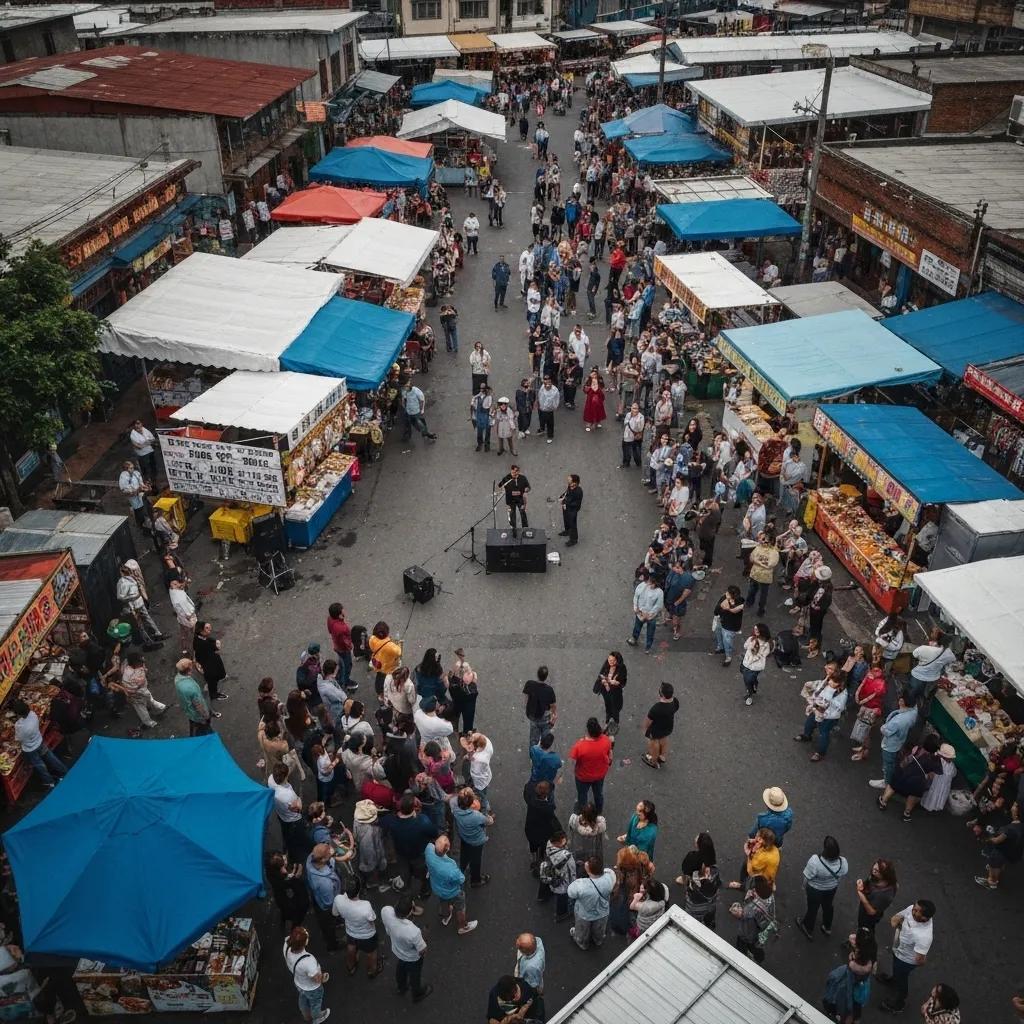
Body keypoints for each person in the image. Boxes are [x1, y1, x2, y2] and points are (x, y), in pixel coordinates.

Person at [876, 900, 936, 1013]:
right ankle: (893, 980)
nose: (913, 909)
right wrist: (896, 922)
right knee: (896, 971)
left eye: (917, 910)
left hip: (906, 961)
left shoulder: (924, 936)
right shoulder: (912, 909)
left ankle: (899, 1002)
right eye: (915, 907)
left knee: (902, 979)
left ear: (924, 918)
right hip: (898, 949)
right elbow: (896, 918)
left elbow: (920, 960)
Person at [794, 835, 848, 939]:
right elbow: (841, 875)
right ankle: (827, 927)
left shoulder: (816, 861)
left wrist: (803, 886)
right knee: (828, 906)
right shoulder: (843, 862)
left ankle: (807, 927)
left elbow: (807, 877)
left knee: (813, 908)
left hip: (815, 889)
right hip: (831, 889)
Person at [381, 895, 432, 1002]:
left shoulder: (386, 911)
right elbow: (422, 950)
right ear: (409, 913)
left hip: (398, 951)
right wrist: (425, 936)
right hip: (412, 958)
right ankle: (417, 993)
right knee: (415, 975)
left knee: (401, 969)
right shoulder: (413, 931)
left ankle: (401, 987)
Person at [424, 834, 478, 935]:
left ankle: (446, 916)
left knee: (444, 902)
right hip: (452, 892)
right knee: (460, 907)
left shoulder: (428, 848)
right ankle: (462, 926)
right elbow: (462, 879)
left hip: (437, 887)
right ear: (447, 849)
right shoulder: (450, 870)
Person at [795, 661, 848, 760]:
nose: (831, 682)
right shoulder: (827, 682)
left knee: (823, 733)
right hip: (817, 709)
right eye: (831, 680)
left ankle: (820, 752)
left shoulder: (842, 693)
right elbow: (819, 689)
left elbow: (840, 707)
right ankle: (807, 735)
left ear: (840, 683)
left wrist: (828, 703)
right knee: (809, 723)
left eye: (834, 681)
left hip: (828, 716)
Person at [331, 876, 382, 978]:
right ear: (359, 890)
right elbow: (372, 920)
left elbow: (335, 913)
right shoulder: (365, 905)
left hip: (350, 932)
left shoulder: (338, 899)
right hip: (367, 936)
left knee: (351, 948)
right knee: (371, 954)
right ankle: (372, 971)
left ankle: (351, 967)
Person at [870, 689, 918, 789]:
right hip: (900, 741)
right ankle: (889, 772)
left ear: (902, 701)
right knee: (892, 761)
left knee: (888, 762)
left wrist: (882, 727)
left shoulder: (898, 721)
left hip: (891, 744)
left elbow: (885, 730)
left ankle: (886, 781)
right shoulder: (914, 712)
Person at [12, 699, 66, 789]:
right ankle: (63, 770)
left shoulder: (19, 725)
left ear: (18, 714)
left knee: (39, 765)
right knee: (50, 757)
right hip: (39, 741)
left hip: (30, 749)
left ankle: (49, 782)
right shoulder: (33, 715)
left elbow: (19, 739)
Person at [282, 926, 330, 1024]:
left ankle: (306, 1016)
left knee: (303, 998)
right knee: (315, 1002)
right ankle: (317, 1018)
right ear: (304, 943)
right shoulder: (308, 961)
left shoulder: (286, 944)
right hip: (312, 988)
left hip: (299, 982)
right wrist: (324, 977)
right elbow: (317, 979)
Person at [567, 856, 616, 950]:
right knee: (599, 929)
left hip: (585, 914)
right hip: (603, 911)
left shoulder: (581, 884)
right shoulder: (610, 876)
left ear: (589, 870)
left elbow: (571, 893)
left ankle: (582, 943)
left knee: (582, 931)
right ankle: (598, 940)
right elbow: (609, 871)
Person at [975, 800, 1022, 889]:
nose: (1012, 807)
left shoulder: (1010, 829)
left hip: (1000, 851)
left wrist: (987, 839)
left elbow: (997, 841)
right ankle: (997, 870)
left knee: (994, 866)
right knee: (1000, 864)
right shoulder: (1020, 826)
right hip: (1010, 851)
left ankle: (991, 882)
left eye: (1015, 806)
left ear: (1017, 813)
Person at [729, 874, 776, 964]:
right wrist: (740, 886)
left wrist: (734, 909)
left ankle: (744, 956)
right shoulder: (770, 897)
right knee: (755, 942)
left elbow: (741, 915)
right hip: (762, 924)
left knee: (744, 941)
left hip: (749, 929)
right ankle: (758, 956)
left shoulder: (752, 908)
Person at [305, 843, 344, 953]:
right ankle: (333, 945)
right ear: (322, 860)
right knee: (328, 926)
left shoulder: (310, 858)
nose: (331, 853)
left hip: (317, 898)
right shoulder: (324, 883)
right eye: (328, 854)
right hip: (326, 907)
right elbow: (329, 903)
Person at [678, 832, 721, 929]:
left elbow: (686, 872)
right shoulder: (714, 871)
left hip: (696, 909)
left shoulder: (694, 887)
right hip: (710, 906)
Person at [569, 718, 612, 813]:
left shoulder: (579, 746)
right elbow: (610, 756)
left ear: (588, 730)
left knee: (582, 795)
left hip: (583, 777)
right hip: (600, 774)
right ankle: (599, 811)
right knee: (598, 794)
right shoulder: (606, 740)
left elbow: (573, 763)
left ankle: (584, 813)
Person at [116, 650, 166, 729]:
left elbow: (143, 672)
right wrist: (140, 685)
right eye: (141, 662)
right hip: (136, 696)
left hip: (143, 690)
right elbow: (130, 688)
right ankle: (149, 723)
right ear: (134, 663)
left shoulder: (138, 666)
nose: (143, 663)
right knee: (142, 710)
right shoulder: (128, 674)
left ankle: (160, 707)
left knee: (150, 699)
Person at [270, 762, 308, 865]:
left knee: (286, 833)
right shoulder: (287, 794)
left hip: (281, 814)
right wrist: (299, 799)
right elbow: (298, 807)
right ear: (286, 776)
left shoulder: (271, 780)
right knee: (298, 836)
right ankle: (295, 856)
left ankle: (287, 848)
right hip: (293, 819)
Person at [853, 859, 898, 936]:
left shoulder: (885, 894)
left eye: (878, 871)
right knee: (862, 926)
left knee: (866, 929)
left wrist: (860, 893)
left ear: (885, 875)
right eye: (875, 867)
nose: (874, 871)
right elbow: (868, 884)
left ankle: (861, 943)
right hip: (865, 909)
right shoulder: (875, 877)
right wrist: (862, 886)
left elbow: (871, 912)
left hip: (869, 916)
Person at [642, 682, 679, 770]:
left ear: (662, 694)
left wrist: (645, 730)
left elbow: (648, 720)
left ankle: (654, 761)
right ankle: (662, 756)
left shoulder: (657, 708)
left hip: (656, 729)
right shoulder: (675, 702)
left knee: (654, 742)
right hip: (668, 727)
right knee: (664, 739)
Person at [174, 658, 213, 735]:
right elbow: (199, 705)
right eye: (191, 667)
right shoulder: (191, 688)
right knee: (204, 727)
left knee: (193, 723)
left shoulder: (177, 678)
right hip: (197, 714)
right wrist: (206, 716)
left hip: (189, 711)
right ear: (188, 671)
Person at [745, 531, 779, 616]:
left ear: (771, 541)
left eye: (766, 540)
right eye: (763, 539)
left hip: (765, 578)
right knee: (752, 590)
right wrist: (760, 562)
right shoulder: (758, 547)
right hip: (755, 574)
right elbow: (752, 558)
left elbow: (771, 564)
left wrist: (758, 562)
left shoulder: (774, 552)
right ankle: (749, 602)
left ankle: (761, 610)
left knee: (763, 595)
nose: (763, 542)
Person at [192, 621, 228, 704]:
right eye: (207, 628)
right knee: (213, 679)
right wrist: (217, 643)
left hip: (208, 660)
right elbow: (217, 647)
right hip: (209, 664)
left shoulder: (198, 637)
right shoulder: (203, 644)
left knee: (213, 677)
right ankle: (214, 694)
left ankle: (212, 687)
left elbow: (209, 639)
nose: (209, 629)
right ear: (201, 631)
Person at [628, 575, 664, 654]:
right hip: (640, 612)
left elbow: (658, 606)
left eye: (651, 583)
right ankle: (634, 638)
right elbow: (636, 596)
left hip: (651, 615)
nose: (648, 584)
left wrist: (649, 614)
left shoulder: (659, 592)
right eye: (649, 582)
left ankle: (648, 647)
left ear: (656, 583)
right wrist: (636, 607)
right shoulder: (642, 586)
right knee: (637, 626)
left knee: (650, 632)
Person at [524, 666, 557, 748]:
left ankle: (533, 753)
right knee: (545, 733)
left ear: (537, 674)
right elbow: (553, 706)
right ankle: (543, 749)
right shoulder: (549, 690)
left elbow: (526, 699)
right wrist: (554, 715)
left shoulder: (529, 684)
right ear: (546, 677)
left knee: (533, 737)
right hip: (544, 716)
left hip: (532, 715)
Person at [593, 651, 627, 732]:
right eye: (609, 659)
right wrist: (603, 681)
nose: (610, 662)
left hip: (615, 693)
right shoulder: (607, 664)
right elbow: (601, 674)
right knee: (608, 706)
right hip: (605, 691)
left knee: (615, 708)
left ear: (617, 661)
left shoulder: (622, 668)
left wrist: (616, 683)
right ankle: (608, 721)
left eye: (613, 660)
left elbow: (623, 681)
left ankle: (615, 723)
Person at [712, 585, 744, 666]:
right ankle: (720, 647)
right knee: (718, 633)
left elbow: (734, 611)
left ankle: (728, 656)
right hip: (721, 621)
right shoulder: (724, 598)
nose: (726, 593)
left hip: (730, 627)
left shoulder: (740, 603)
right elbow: (716, 611)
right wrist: (721, 606)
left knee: (728, 641)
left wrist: (726, 607)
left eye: (728, 593)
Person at [741, 624, 772, 707]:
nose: (755, 631)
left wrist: (754, 651)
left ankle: (750, 695)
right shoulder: (751, 639)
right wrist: (750, 645)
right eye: (755, 629)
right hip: (746, 663)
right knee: (747, 678)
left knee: (747, 681)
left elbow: (763, 655)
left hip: (755, 667)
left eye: (757, 630)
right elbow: (745, 646)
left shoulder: (766, 644)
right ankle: (754, 684)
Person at [326, 603, 354, 690]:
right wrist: (349, 646)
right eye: (342, 611)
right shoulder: (341, 628)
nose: (344, 611)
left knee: (341, 663)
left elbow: (330, 631)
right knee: (347, 665)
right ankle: (345, 682)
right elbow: (344, 642)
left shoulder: (330, 619)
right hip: (343, 649)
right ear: (339, 615)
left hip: (337, 647)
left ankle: (339, 676)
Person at [497, 465, 531, 532]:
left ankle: (525, 527)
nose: (514, 474)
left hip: (520, 499)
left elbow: (528, 487)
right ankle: (513, 528)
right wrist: (502, 487)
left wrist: (527, 489)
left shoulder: (523, 478)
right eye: (513, 472)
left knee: (522, 512)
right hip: (510, 500)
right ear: (511, 471)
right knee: (512, 514)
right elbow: (499, 486)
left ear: (518, 472)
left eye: (516, 472)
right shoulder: (507, 478)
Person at [168, 579, 196, 656]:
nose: (178, 585)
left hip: (181, 618)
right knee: (193, 632)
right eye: (175, 584)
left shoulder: (172, 592)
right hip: (188, 618)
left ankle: (185, 649)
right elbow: (186, 609)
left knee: (184, 634)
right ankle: (194, 649)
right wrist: (190, 615)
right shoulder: (179, 597)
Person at [514, 933, 545, 1002]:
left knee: (534, 995)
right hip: (534, 973)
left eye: (519, 948)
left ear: (525, 952)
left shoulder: (531, 968)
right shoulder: (537, 941)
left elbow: (533, 984)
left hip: (530, 979)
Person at [560, 473, 583, 546]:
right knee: (566, 519)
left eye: (569, 480)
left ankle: (573, 539)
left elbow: (577, 504)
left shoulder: (578, 491)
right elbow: (567, 492)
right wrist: (562, 496)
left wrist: (567, 503)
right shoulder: (570, 486)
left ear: (574, 482)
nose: (568, 480)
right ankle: (567, 531)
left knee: (573, 524)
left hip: (572, 510)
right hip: (566, 507)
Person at [470, 383, 494, 452]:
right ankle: (479, 444)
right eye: (481, 388)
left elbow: (489, 406)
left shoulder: (489, 397)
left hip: (486, 415)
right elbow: (473, 405)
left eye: (483, 389)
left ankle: (487, 445)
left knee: (487, 431)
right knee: (479, 431)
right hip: (479, 416)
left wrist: (491, 416)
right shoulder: (477, 397)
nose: (481, 390)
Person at [536, 375, 560, 443]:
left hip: (548, 410)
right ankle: (542, 429)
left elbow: (557, 400)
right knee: (541, 420)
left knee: (550, 423)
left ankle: (550, 435)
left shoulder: (555, 390)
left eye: (548, 379)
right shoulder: (542, 387)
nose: (547, 381)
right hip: (541, 408)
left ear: (551, 381)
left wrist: (554, 407)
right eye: (545, 379)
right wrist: (538, 403)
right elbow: (539, 395)